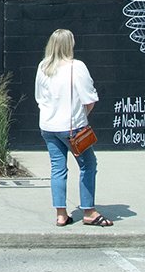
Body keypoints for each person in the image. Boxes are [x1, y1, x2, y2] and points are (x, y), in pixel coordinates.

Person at [33, 29, 107, 227]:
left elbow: (39, 98)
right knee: (88, 165)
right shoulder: (77, 67)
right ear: (69, 45)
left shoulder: (43, 66)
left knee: (58, 169)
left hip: (48, 127)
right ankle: (89, 211)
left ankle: (61, 214)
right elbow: (89, 99)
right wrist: (82, 117)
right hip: (72, 128)